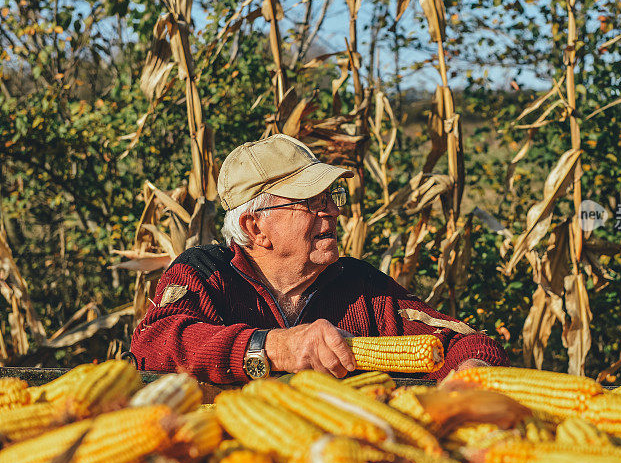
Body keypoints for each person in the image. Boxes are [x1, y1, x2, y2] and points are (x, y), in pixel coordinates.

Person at [130, 134, 508, 383]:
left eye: (330, 198)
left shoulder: (363, 288)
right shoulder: (205, 274)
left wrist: (472, 372)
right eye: (311, 202)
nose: (332, 212)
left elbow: (464, 340)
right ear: (255, 227)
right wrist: (275, 347)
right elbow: (153, 344)